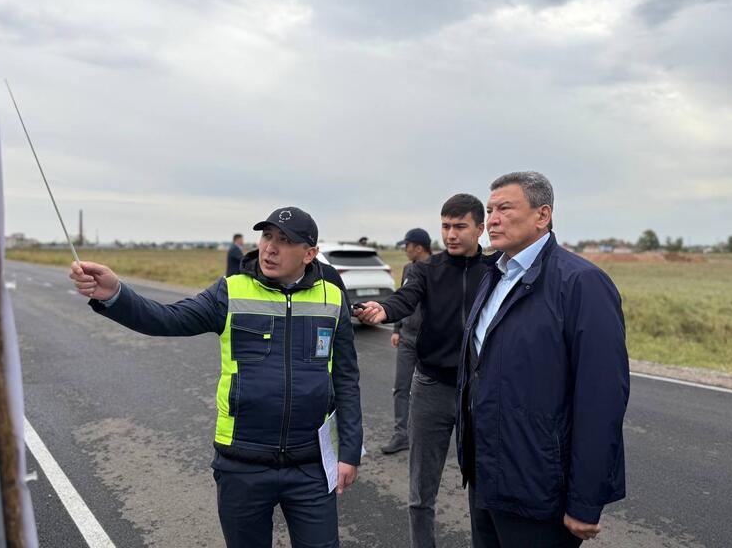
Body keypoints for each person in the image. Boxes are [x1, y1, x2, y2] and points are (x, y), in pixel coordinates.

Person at [70, 207, 363, 548]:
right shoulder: (231, 291)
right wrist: (115, 294)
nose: (270, 248)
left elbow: (346, 379)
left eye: (285, 241)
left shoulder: (331, 297)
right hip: (243, 464)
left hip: (311, 465)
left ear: (309, 254)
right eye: (267, 236)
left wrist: (350, 451)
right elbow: (167, 318)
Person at [457, 172, 629, 547]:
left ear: (542, 215)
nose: (492, 220)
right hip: (488, 478)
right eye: (489, 210)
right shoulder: (495, 276)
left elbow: (601, 399)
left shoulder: (581, 283)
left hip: (539, 489)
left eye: (504, 208)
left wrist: (585, 500)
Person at [356, 194, 494, 548]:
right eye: (445, 226)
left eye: (460, 226)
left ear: (480, 228)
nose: (451, 234)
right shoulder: (425, 270)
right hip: (432, 388)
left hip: (479, 391)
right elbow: (405, 298)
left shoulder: (495, 271)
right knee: (421, 491)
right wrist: (384, 310)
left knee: (485, 490)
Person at [381, 228, 433, 455]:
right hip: (406, 338)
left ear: (419, 247)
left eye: (408, 246)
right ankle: (401, 434)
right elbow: (402, 301)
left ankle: (425, 435)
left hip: (429, 341)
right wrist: (396, 329)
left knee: (428, 390)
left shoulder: (438, 269)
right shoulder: (407, 269)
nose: (405, 250)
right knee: (401, 387)